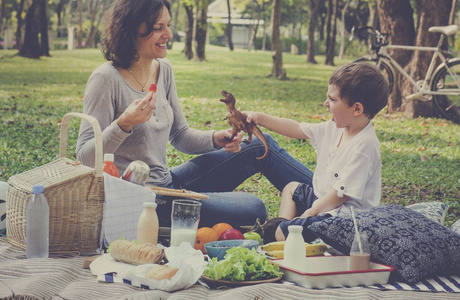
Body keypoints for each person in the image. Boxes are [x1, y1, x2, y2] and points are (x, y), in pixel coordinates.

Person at [76, 0, 315, 229]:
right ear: (130, 29)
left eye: (168, 25)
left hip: (169, 182)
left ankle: (329, 199)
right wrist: (124, 123)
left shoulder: (163, 70)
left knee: (261, 147)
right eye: (158, 28)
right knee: (254, 208)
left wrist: (215, 138)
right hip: (143, 201)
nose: (168, 34)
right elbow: (84, 158)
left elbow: (179, 135)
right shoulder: (106, 80)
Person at [245, 62, 389, 242]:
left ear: (357, 109)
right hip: (324, 205)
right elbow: (297, 129)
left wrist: (309, 213)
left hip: (343, 221)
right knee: (291, 189)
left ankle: (283, 236)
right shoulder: (335, 128)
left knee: (280, 232)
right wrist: (259, 117)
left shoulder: (365, 145)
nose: (326, 104)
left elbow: (340, 195)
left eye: (333, 99)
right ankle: (287, 236)